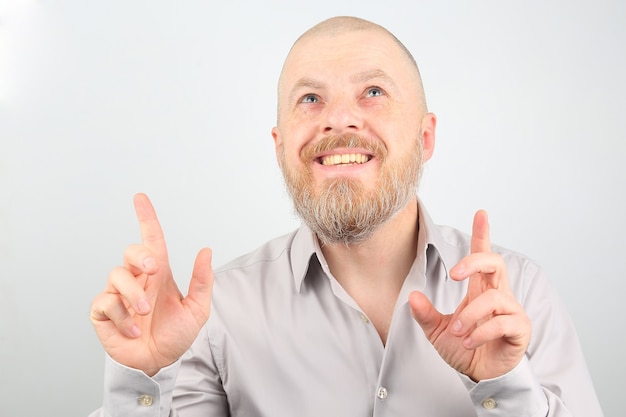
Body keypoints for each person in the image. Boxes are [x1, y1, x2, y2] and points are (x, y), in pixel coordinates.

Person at [89, 16, 603, 416]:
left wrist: (502, 388)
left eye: (373, 92)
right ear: (279, 146)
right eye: (310, 99)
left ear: (425, 137)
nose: (338, 119)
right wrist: (143, 381)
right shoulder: (214, 315)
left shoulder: (520, 296)